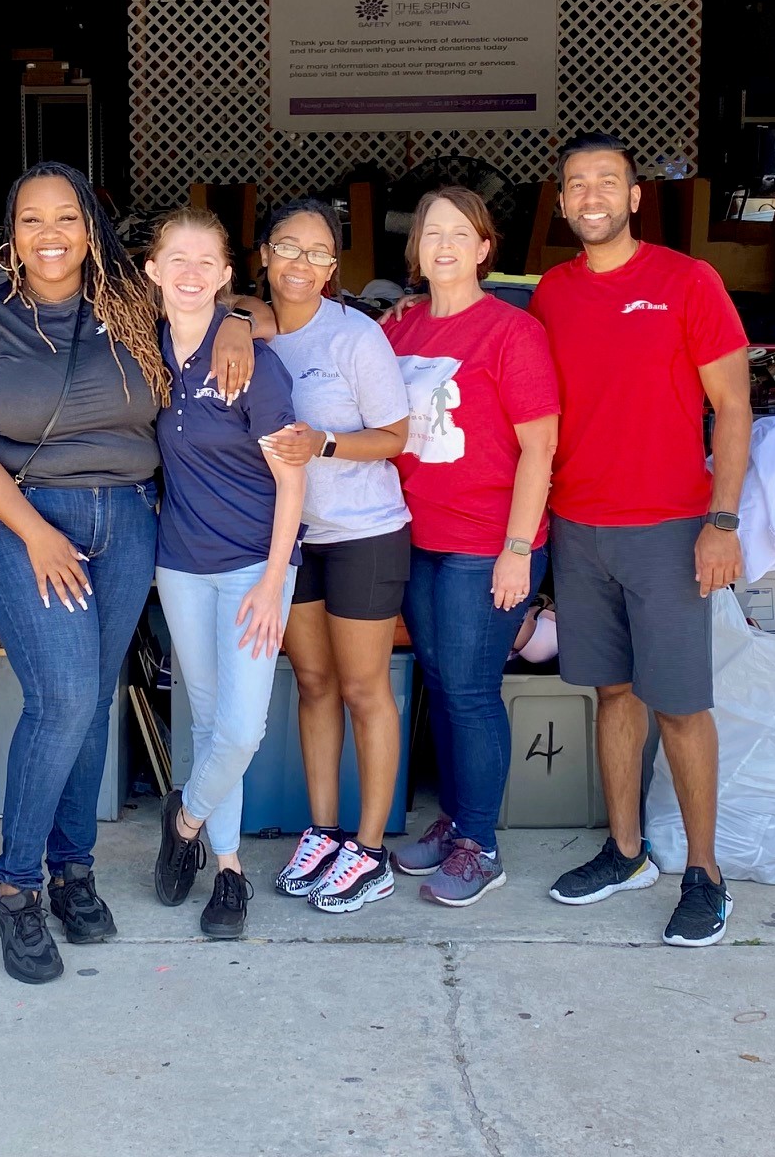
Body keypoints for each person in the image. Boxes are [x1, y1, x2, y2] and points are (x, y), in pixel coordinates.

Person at [0, 162, 254, 984]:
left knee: (94, 702)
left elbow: (210, 298)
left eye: (67, 218)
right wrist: (35, 531)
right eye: (32, 219)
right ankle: (15, 888)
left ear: (91, 230)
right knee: (64, 698)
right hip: (29, 521)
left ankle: (74, 870)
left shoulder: (128, 309)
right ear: (11, 235)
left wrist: (237, 324)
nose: (51, 235)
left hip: (132, 520)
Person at [529, 132, 751, 948]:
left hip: (667, 529)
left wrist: (721, 521)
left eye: (607, 182)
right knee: (611, 693)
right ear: (560, 203)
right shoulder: (551, 291)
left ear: (633, 197)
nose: (590, 195)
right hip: (579, 528)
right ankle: (625, 851)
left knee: (683, 707)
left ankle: (704, 873)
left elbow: (733, 406)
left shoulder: (688, 281)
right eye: (576, 184)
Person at [384, 188, 560, 906]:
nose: (446, 246)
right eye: (432, 234)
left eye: (462, 234)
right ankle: (455, 819)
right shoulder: (398, 329)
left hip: (485, 542)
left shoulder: (511, 333)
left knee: (469, 690)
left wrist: (518, 549)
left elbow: (540, 446)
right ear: (416, 249)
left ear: (486, 249)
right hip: (414, 537)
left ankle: (480, 845)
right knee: (439, 680)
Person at [143, 207, 306, 939]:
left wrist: (275, 580)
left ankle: (184, 823)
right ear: (151, 271)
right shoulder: (142, 352)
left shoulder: (250, 361)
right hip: (179, 564)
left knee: (241, 728)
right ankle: (230, 872)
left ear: (226, 275)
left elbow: (293, 479)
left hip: (251, 568)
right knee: (208, 721)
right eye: (175, 258)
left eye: (205, 260)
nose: (189, 272)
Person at [247, 199, 413, 915]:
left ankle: (369, 849)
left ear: (334, 268)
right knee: (313, 683)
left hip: (364, 533)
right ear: (263, 255)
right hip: (292, 539)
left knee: (364, 687)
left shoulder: (355, 336)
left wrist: (326, 444)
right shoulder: (246, 332)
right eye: (289, 248)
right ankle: (322, 831)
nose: (302, 265)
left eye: (318, 254)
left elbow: (397, 436)